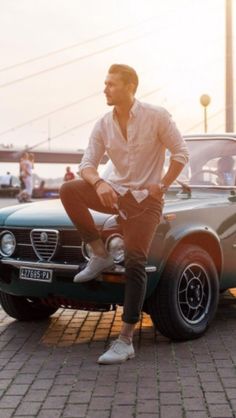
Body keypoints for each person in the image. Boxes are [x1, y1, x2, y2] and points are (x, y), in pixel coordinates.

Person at [60, 64, 189, 365]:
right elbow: (86, 164)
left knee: (135, 261)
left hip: (146, 201)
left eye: (111, 84)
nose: (105, 89)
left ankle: (125, 340)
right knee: (70, 190)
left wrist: (163, 185)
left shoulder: (157, 116)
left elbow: (180, 153)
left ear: (130, 86)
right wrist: (100, 182)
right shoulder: (103, 123)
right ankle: (98, 252)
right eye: (105, 84)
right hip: (115, 193)